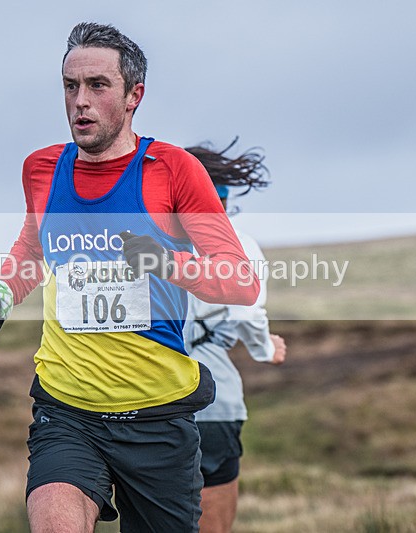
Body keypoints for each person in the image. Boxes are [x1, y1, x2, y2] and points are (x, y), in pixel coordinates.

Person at [0, 22, 260, 532]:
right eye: (70, 86)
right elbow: (32, 252)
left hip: (159, 418)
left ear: (133, 96)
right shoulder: (41, 169)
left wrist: (164, 262)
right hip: (67, 411)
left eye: (98, 86)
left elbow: (239, 280)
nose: (81, 101)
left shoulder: (173, 170)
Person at [184, 140, 287, 533]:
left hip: (146, 392)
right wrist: (266, 350)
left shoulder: (148, 239)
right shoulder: (241, 246)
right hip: (213, 397)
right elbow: (248, 313)